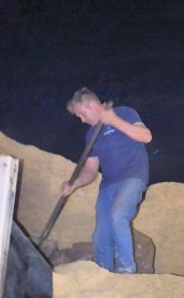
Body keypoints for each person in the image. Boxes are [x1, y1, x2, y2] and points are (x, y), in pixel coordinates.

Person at [62, 88, 152, 274]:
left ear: (93, 105)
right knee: (101, 232)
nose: (82, 120)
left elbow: (146, 136)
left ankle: (127, 271)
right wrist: (75, 184)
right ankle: (104, 274)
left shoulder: (124, 113)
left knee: (118, 215)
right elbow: (90, 170)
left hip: (133, 177)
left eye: (82, 114)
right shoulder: (91, 135)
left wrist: (114, 121)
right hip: (108, 185)